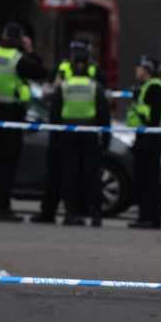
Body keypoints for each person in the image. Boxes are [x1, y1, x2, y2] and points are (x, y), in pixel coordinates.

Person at [0, 21, 49, 221]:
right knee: (6, 165)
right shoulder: (18, 60)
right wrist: (30, 50)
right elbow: (42, 73)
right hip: (11, 116)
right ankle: (2, 208)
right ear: (19, 40)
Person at [33, 39, 101, 224]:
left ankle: (65, 212)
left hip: (64, 127)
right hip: (79, 127)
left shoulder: (64, 70)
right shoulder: (91, 71)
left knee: (66, 172)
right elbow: (104, 98)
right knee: (69, 173)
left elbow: (45, 94)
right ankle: (59, 213)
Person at [47, 49, 111, 227]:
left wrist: (56, 137)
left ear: (73, 65)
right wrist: (106, 137)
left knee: (70, 175)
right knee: (92, 176)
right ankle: (96, 215)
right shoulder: (94, 87)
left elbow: (55, 114)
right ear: (88, 66)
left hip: (68, 134)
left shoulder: (64, 86)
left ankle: (70, 213)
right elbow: (104, 114)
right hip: (90, 133)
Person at [127, 56, 161, 229]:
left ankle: (150, 218)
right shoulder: (147, 87)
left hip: (151, 138)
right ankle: (145, 216)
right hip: (145, 137)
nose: (136, 71)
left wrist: (137, 102)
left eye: (139, 68)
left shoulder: (155, 87)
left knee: (149, 179)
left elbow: (153, 118)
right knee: (144, 178)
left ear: (146, 70)